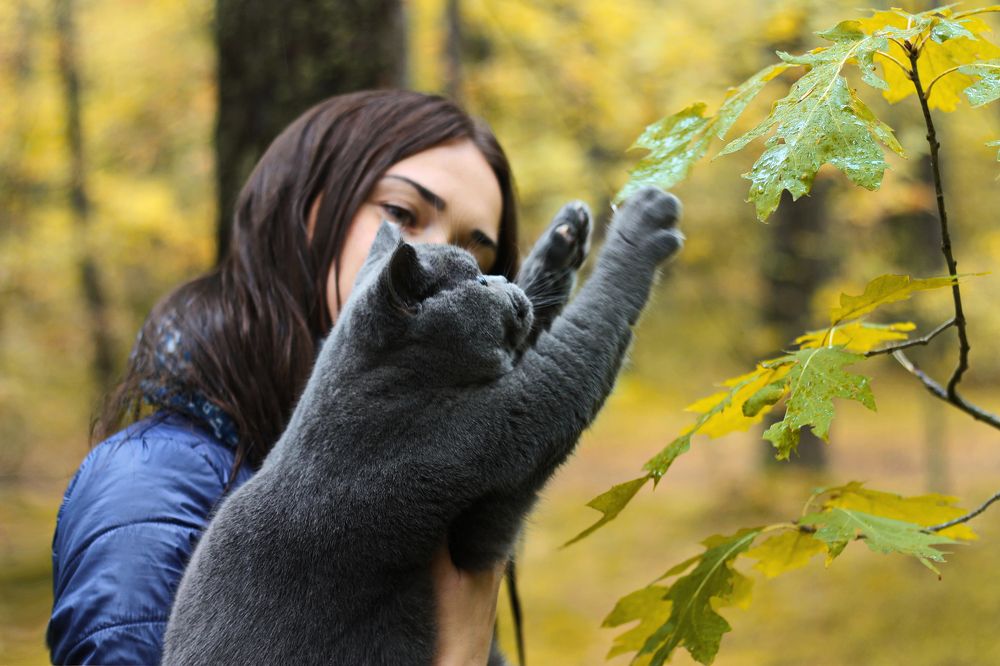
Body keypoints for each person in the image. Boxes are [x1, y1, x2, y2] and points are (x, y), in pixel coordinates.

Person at [48, 90, 522, 665]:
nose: (448, 267)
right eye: (401, 214)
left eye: (478, 254)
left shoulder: (403, 493)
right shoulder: (151, 490)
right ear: (303, 210)